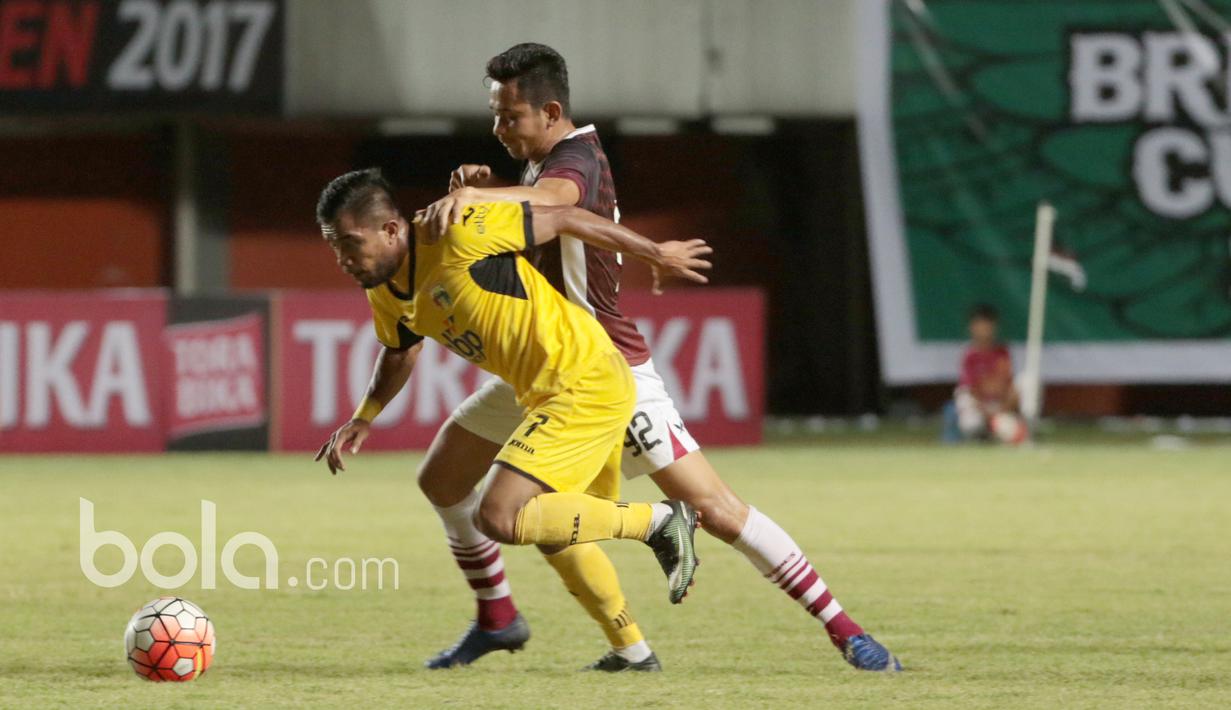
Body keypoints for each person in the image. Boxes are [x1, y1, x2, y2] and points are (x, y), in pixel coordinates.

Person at [413, 42, 900, 673]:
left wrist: (484, 198)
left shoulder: (575, 157)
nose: (498, 128)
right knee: (445, 476)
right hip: (546, 371)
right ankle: (500, 616)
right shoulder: (538, 167)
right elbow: (538, 212)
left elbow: (559, 206)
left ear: (551, 109)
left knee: (717, 511)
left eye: (510, 116)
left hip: (606, 371)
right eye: (495, 115)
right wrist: (492, 188)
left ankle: (847, 631)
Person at [313, 170, 717, 666]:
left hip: (584, 380)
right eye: (335, 247)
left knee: (502, 515)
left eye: (351, 244)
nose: (343, 260)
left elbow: (565, 215)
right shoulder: (381, 283)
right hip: (533, 389)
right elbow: (400, 349)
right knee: (460, 485)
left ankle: (659, 521)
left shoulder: (458, 231)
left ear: (392, 230)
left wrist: (655, 253)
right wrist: (364, 416)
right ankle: (626, 649)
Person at [943, 303, 1027, 444]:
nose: (984, 330)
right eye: (980, 325)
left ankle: (1024, 426)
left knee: (1026, 380)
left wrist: (1003, 409)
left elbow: (1011, 386)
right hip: (981, 408)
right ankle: (982, 435)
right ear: (972, 327)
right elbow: (969, 391)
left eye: (987, 325)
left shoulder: (1003, 353)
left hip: (1001, 406)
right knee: (963, 398)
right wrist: (988, 414)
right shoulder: (969, 356)